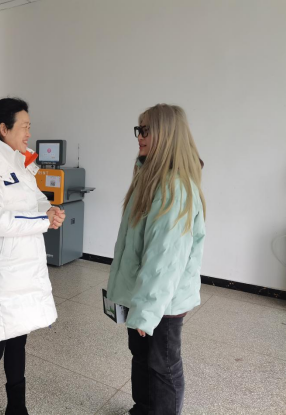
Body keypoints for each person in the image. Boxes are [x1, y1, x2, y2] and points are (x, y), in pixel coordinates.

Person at [0, 98, 66, 414]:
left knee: (19, 339)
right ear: (3, 129)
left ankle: (17, 407)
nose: (29, 133)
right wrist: (42, 220)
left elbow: (35, 200)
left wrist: (49, 210)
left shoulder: (19, 163)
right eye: (24, 127)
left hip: (24, 270)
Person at [106, 104, 206, 415]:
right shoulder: (147, 175)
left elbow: (165, 259)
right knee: (141, 356)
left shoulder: (173, 187)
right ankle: (144, 408)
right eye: (139, 129)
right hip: (143, 295)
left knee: (163, 365)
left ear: (167, 134)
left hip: (162, 302)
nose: (140, 136)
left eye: (146, 130)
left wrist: (147, 311)